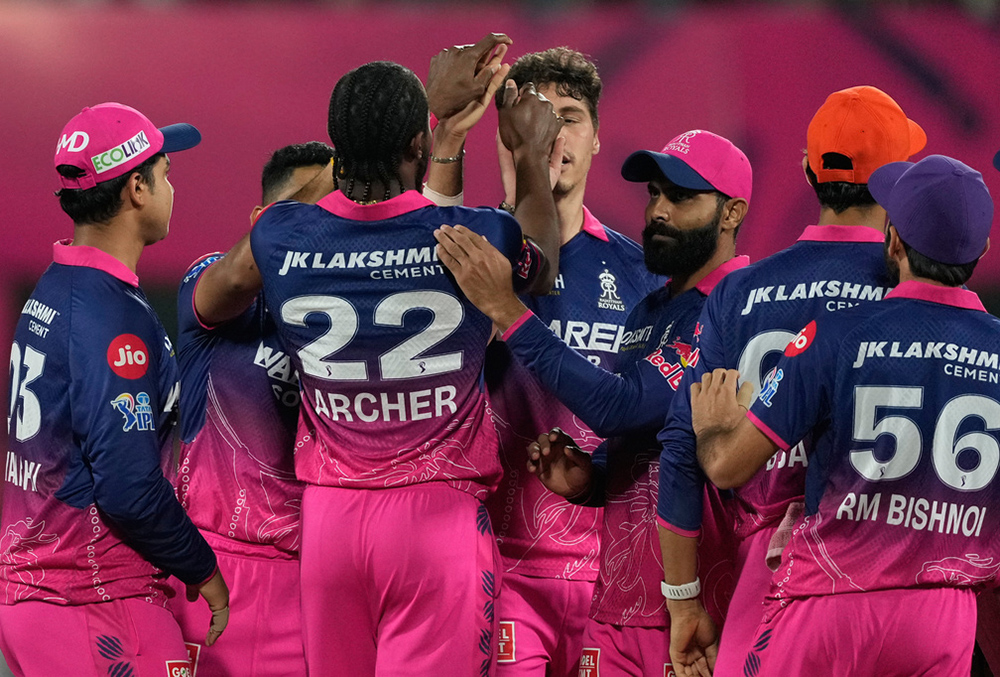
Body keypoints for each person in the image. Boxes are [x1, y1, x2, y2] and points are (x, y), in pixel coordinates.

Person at [211, 50, 562, 673]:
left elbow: (221, 293)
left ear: (335, 150)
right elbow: (543, 263)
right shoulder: (475, 235)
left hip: (331, 527)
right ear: (418, 144)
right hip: (439, 523)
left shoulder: (279, 235)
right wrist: (528, 154)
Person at [435, 128, 751, 676]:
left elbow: (619, 406)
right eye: (654, 193)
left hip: (696, 613)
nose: (659, 211)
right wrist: (592, 478)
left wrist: (509, 312)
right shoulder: (652, 308)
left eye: (681, 197)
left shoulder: (734, 312)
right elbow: (649, 441)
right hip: (619, 604)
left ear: (731, 213)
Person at [655, 86, 925, 675]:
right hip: (902, 570)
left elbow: (679, 449)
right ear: (900, 180)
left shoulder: (738, 293)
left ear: (808, 172)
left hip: (767, 579)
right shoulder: (912, 289)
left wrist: (685, 603)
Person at [691, 154, 996, 675]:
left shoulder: (834, 332)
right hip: (944, 616)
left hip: (830, 603)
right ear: (983, 249)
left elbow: (726, 467)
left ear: (893, 240)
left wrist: (713, 428)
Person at [0, 103, 228, 676]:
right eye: (166, 173)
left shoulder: (57, 285)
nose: (173, 187)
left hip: (43, 592)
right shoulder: (110, 314)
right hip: (92, 599)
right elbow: (127, 487)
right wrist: (203, 570)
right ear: (136, 189)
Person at [479, 48, 663, 677]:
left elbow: (656, 427)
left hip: (609, 577)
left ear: (596, 140)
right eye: (537, 116)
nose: (554, 132)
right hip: (495, 569)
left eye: (572, 116)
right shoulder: (465, 258)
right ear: (507, 133)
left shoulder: (641, 276)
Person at [166, 141, 335, 676]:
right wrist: (348, 160)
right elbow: (240, 275)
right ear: (262, 221)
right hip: (206, 575)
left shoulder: (351, 312)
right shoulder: (214, 280)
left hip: (309, 584)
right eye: (306, 219)